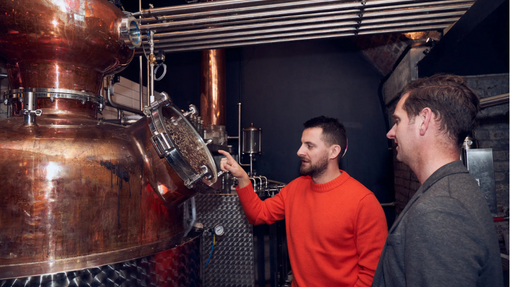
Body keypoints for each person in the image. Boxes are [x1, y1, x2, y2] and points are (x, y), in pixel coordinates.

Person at [219, 116, 388, 287]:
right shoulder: (295, 189)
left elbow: (373, 272)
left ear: (334, 151)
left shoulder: (363, 202)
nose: (299, 151)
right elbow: (258, 214)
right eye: (302, 144)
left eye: (309, 145)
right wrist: (242, 177)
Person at [372, 74, 503, 287]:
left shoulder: (439, 208)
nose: (390, 132)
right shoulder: (454, 187)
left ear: (424, 120)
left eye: (397, 121)